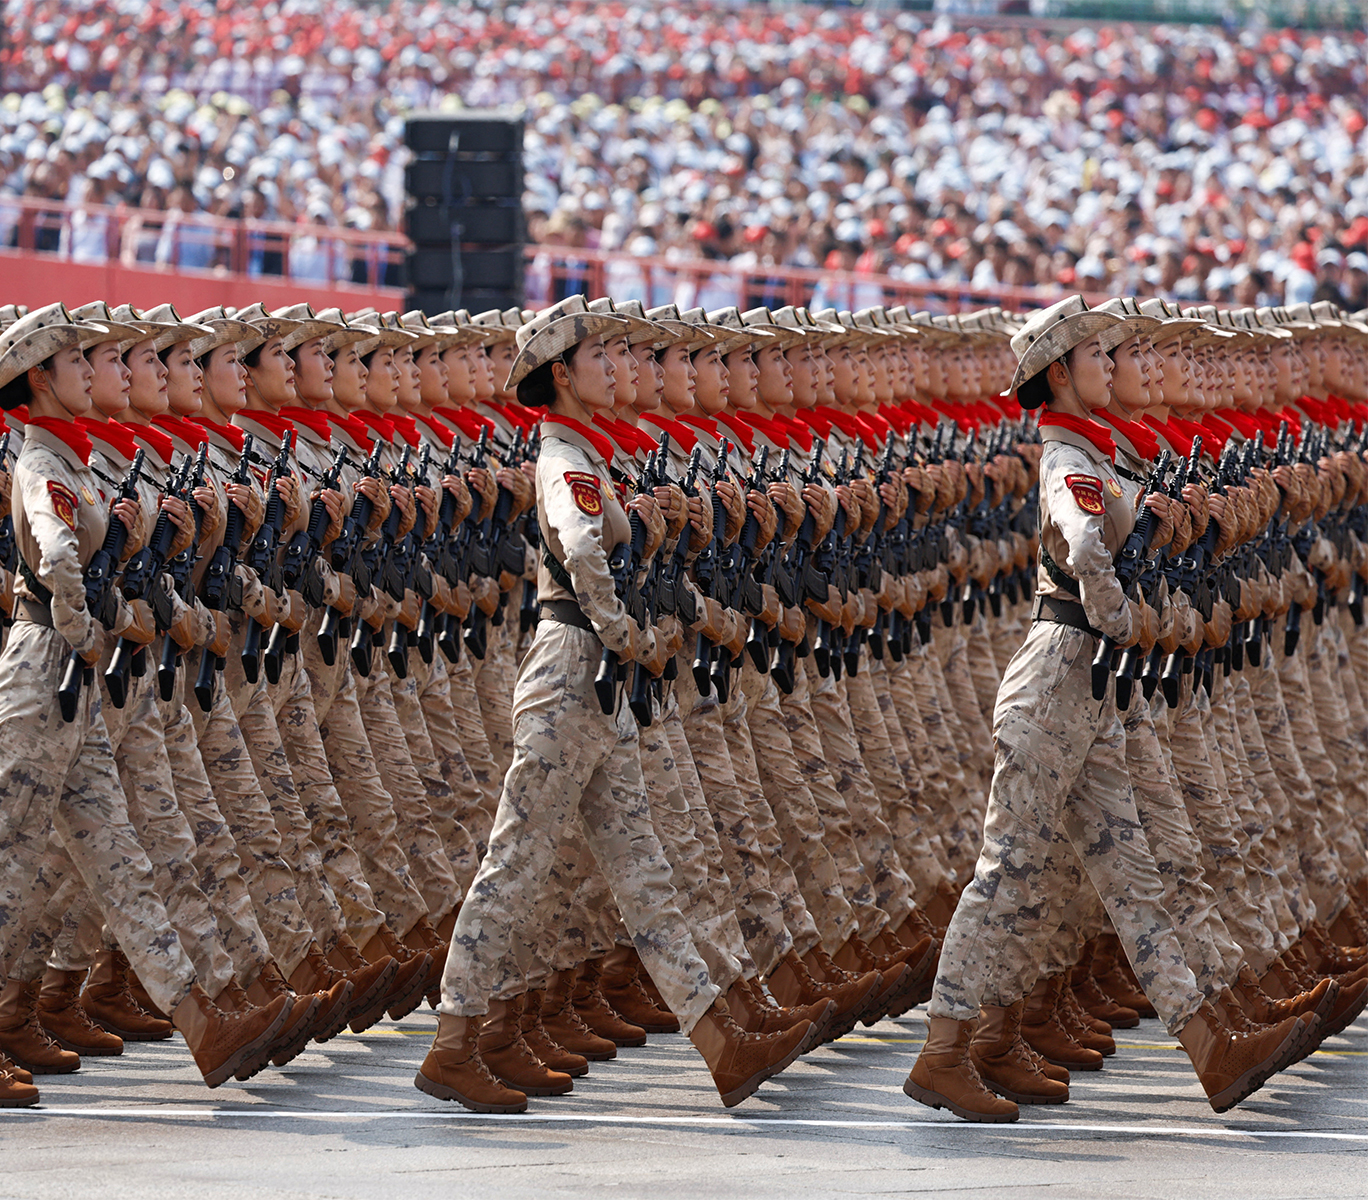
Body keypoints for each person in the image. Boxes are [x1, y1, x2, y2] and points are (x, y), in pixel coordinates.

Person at [904, 296, 1309, 1123]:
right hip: (1060, 674)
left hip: (1089, 686)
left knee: (1134, 870)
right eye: (1098, 355)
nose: (1112, 366)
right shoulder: (1067, 456)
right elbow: (1085, 543)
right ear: (1062, 372)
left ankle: (1210, 1045)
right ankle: (942, 1051)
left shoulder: (1099, 452)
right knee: (1007, 869)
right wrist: (1123, 616)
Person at [415, 301, 812, 1114]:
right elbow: (581, 545)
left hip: (601, 678)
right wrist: (624, 627)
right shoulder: (564, 460)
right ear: (562, 373)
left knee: (646, 871)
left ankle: (718, 1040)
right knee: (518, 861)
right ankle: (453, 1043)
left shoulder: (591, 456)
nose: (620, 368)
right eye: (604, 356)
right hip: (573, 668)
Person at [0, 304, 291, 1108]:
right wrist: (87, 630)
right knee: (2, 863)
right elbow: (57, 554)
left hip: (73, 682)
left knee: (121, 858)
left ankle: (202, 1024)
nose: (98, 374)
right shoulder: (41, 463)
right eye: (79, 363)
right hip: (43, 674)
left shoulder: (75, 459)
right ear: (41, 381)